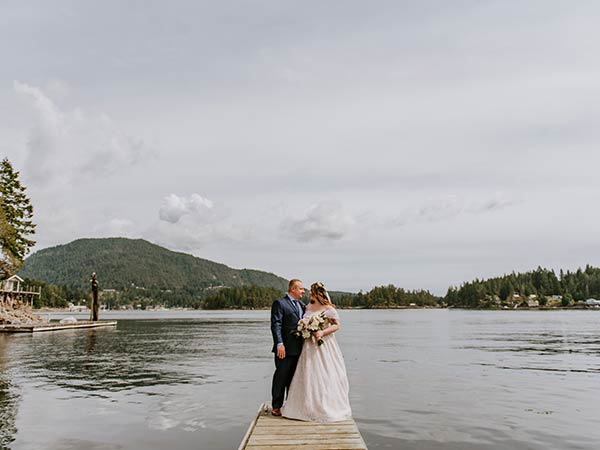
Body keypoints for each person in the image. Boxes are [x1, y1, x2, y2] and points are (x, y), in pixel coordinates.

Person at [281, 281, 352, 422]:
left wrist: (322, 332)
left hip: (324, 345)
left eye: (311, 292)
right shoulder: (307, 307)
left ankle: (324, 406)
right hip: (308, 346)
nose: (309, 294)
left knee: (324, 374)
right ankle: (306, 407)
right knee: (307, 373)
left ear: (317, 293)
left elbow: (337, 325)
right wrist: (305, 328)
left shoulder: (329, 309)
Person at [270, 279, 306, 416]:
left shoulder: (302, 305)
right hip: (284, 349)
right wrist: (279, 343)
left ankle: (291, 405)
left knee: (294, 378)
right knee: (281, 376)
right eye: (301, 289)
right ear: (293, 289)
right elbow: (276, 324)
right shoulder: (280, 303)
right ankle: (276, 406)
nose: (303, 291)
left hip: (299, 348)